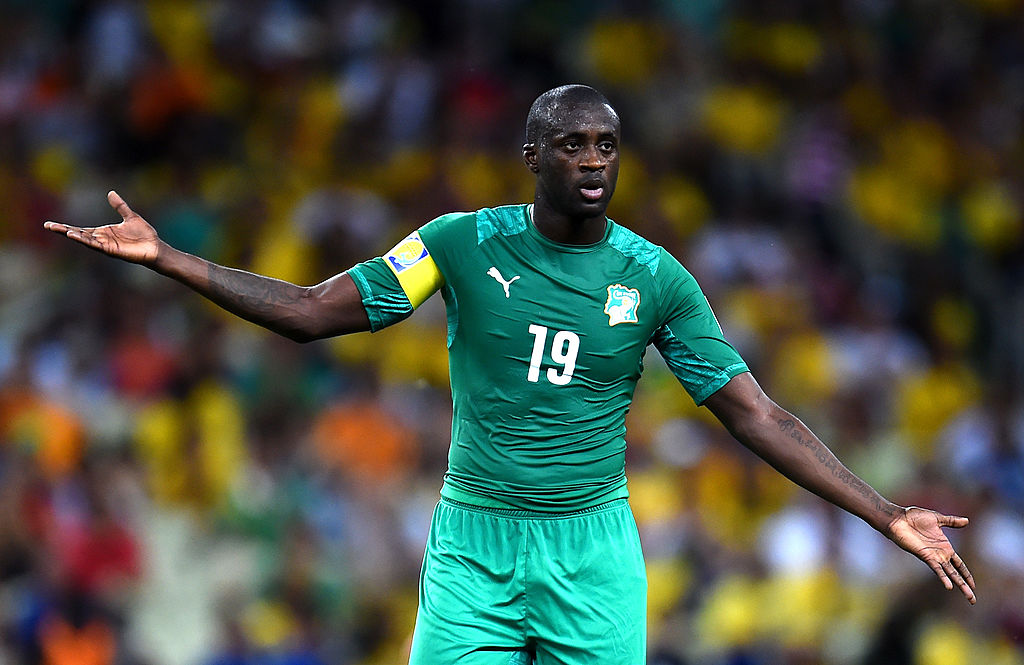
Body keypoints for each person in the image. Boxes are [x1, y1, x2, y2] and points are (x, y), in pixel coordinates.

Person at [45, 84, 976, 665]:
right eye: (572, 145)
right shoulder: (458, 243)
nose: (593, 161)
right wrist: (168, 258)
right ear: (533, 156)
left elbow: (755, 414)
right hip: (474, 544)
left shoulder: (655, 278)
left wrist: (885, 511)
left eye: (606, 145)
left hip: (591, 550)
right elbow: (310, 312)